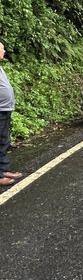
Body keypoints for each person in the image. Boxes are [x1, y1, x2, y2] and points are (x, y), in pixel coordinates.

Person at [0, 42, 22, 186]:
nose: (4, 51)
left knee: (3, 141)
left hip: (4, 109)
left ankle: (3, 170)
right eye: (2, 49)